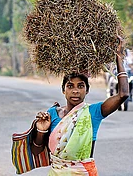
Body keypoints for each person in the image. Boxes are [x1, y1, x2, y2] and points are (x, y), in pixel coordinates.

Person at [30, 36, 129, 175]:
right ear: (63, 90)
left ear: (87, 90)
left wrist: (119, 58)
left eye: (80, 86)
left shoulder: (93, 112)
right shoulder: (52, 114)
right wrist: (41, 131)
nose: (75, 90)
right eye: (70, 86)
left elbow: (123, 94)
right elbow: (36, 151)